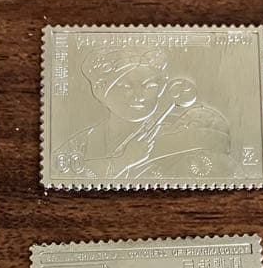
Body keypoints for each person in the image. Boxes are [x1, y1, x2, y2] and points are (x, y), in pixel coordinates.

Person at [54, 48, 233, 182]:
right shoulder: (79, 144)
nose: (139, 96)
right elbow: (60, 173)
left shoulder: (185, 138)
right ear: (100, 92)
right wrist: (123, 162)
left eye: (150, 86)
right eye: (125, 86)